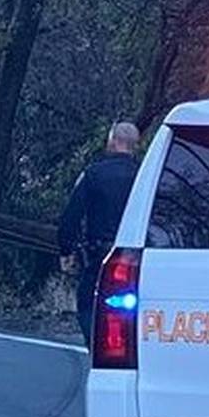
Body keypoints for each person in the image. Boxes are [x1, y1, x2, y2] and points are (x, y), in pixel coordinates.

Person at [58, 121, 141, 347]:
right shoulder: (144, 176)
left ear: (112, 141)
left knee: (87, 304)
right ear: (136, 145)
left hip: (100, 255)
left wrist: (66, 249)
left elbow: (71, 216)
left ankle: (96, 347)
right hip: (138, 257)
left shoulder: (93, 174)